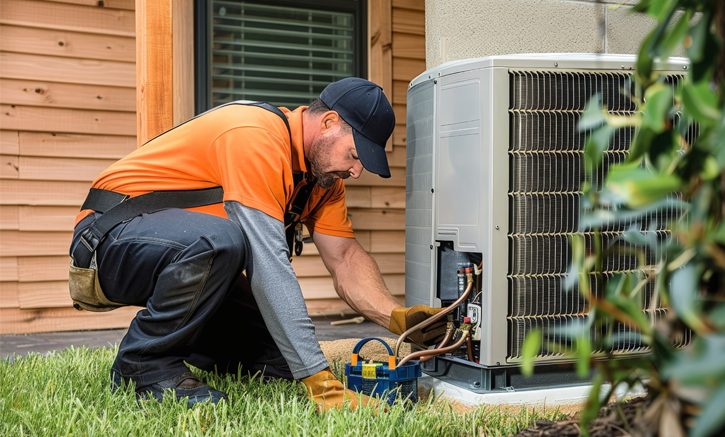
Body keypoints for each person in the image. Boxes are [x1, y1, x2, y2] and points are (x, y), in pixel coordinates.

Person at [68, 78, 446, 411]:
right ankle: (143, 365)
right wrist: (320, 382)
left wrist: (395, 317)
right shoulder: (255, 135)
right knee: (223, 241)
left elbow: (345, 257)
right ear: (329, 122)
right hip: (108, 243)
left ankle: (193, 351)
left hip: (185, 256)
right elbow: (267, 262)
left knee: (279, 358)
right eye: (354, 154)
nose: (356, 169)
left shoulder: (320, 181)